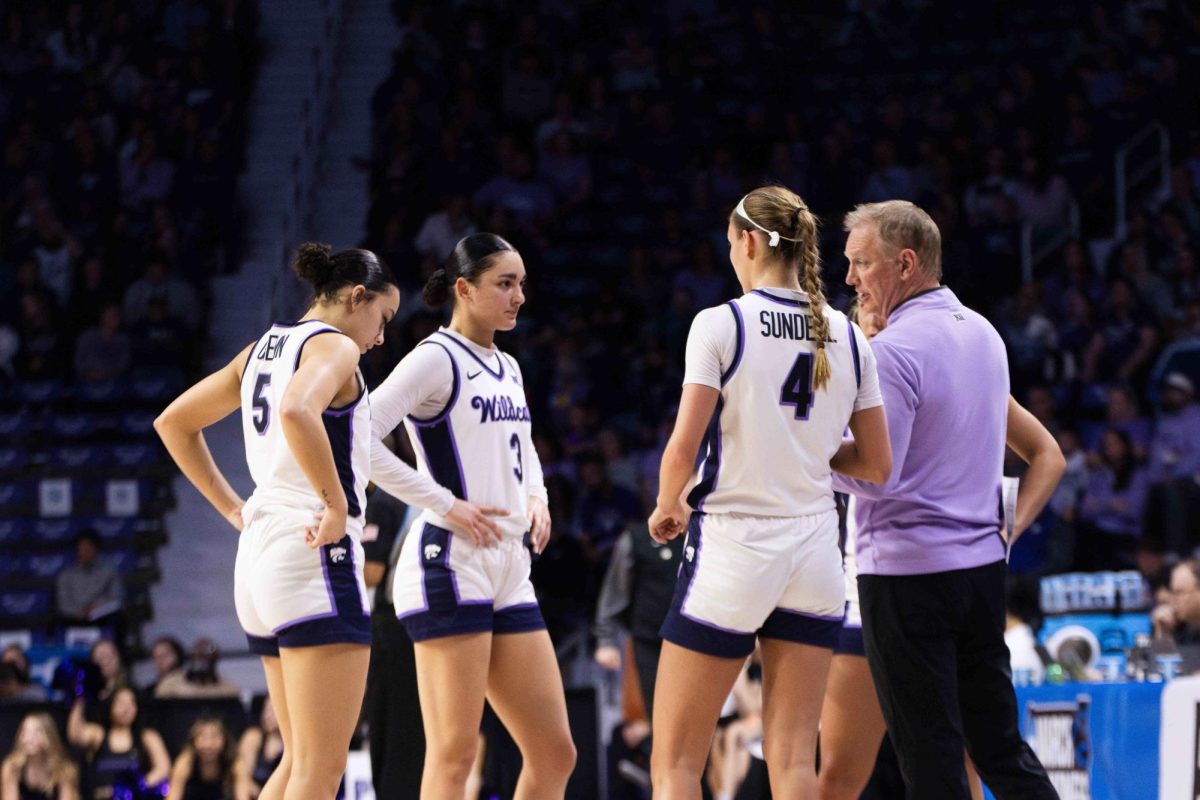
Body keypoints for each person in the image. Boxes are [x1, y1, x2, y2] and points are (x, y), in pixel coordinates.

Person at [647, 185, 892, 797]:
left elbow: (683, 447)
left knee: (676, 760)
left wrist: (666, 503)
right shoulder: (846, 333)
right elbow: (877, 465)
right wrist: (801, 446)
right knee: (792, 761)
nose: (731, 253)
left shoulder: (721, 322)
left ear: (750, 241)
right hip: (815, 551)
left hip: (735, 544)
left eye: (731, 242)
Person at [154, 243, 401, 800]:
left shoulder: (260, 348)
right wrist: (337, 504)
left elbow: (174, 423)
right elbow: (295, 409)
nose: (381, 336)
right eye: (382, 318)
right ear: (356, 297)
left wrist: (230, 508)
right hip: (312, 551)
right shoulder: (336, 346)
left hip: (260, 557)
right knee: (320, 769)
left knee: (298, 763)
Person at [833, 200, 1058, 798]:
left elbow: (877, 475)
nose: (850, 278)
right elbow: (1047, 455)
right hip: (982, 572)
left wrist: (806, 457)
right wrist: (1006, 529)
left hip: (908, 579)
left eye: (861, 264)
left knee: (930, 757)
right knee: (999, 747)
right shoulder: (983, 333)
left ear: (905, 263)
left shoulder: (894, 352)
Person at [371, 232, 577, 798]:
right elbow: (358, 436)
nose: (519, 297)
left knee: (555, 753)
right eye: (505, 284)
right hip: (448, 561)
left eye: (522, 284)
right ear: (464, 288)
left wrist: (536, 496)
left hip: (509, 562)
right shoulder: (435, 358)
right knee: (455, 756)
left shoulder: (508, 365)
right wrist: (441, 502)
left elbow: (524, 444)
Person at [360, 482, 425, 799]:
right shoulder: (429, 492)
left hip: (395, 628)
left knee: (392, 733)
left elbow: (371, 573)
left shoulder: (386, 500)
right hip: (431, 623)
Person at [67, 685, 171, 799]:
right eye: (121, 703)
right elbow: (75, 736)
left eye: (131, 703)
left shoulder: (147, 736)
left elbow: (163, 768)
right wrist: (79, 701)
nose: (126, 709)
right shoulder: (98, 734)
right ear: (110, 706)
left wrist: (134, 787)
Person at [1, 712, 79, 800]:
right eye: (25, 732)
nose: (29, 739)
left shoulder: (64, 769)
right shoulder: (12, 767)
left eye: (37, 732)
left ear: (49, 736)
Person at [54, 530, 122, 625]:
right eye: (81, 549)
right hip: (75, 616)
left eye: (87, 549)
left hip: (101, 615)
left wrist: (98, 608)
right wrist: (80, 612)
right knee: (58, 619)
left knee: (119, 618)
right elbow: (63, 604)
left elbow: (116, 598)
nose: (83, 552)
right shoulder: (65, 575)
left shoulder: (109, 572)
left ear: (96, 549)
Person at [166, 717, 235, 800]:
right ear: (193, 741)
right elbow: (173, 797)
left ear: (225, 740)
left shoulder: (234, 763)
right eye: (203, 737)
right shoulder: (185, 762)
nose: (208, 745)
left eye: (214, 737)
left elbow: (243, 796)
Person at [154, 638, 240, 699]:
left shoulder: (228, 690)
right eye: (198, 658)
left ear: (214, 661)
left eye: (206, 660)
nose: (201, 665)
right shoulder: (170, 685)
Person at [234, 698, 284, 800]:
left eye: (273, 709)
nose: (267, 715)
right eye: (266, 709)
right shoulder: (253, 737)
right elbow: (242, 774)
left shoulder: (296, 743)